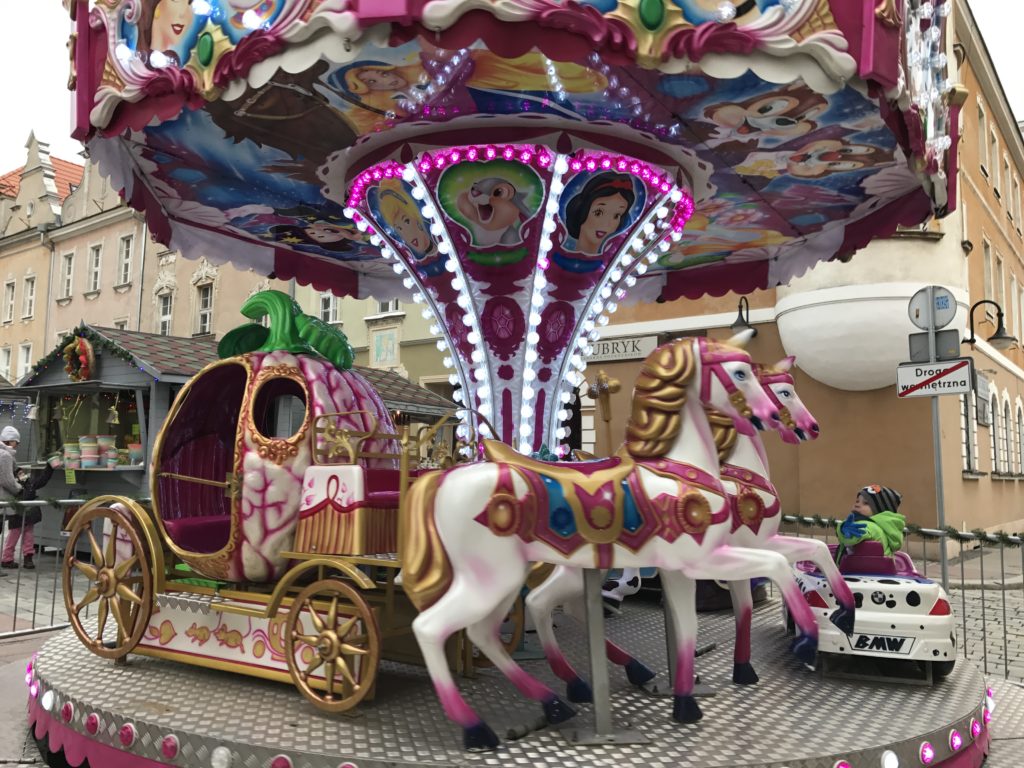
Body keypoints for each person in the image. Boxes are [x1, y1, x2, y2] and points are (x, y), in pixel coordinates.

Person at [0, 427, 55, 570]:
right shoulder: (5, 456)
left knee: (21, 531)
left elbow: (21, 476)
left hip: (20, 501)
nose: (17, 445)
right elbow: (9, 480)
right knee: (19, 532)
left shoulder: (10, 458)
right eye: (16, 442)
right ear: (10, 441)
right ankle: (10, 558)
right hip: (16, 501)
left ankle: (16, 557)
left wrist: (26, 483)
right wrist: (20, 489)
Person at [836, 484, 905, 557]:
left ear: (880, 511)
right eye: (857, 501)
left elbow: (857, 536)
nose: (857, 505)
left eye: (866, 503)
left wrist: (844, 531)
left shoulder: (871, 527)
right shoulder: (877, 527)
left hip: (863, 564)